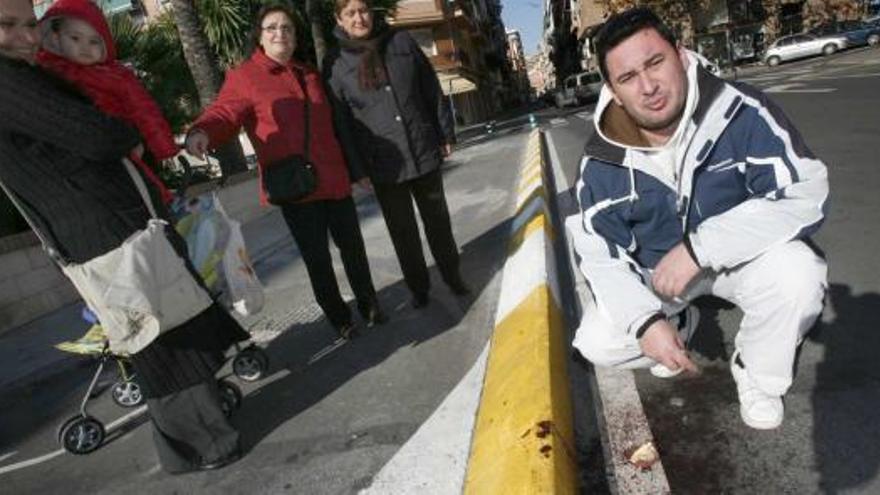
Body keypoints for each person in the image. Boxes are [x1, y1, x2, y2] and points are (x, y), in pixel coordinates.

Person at [0, 0, 247, 473]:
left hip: (113, 227)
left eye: (30, 25)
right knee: (159, 339)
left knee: (168, 325)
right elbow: (94, 134)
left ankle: (205, 433)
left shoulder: (23, 75)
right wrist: (122, 131)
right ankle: (201, 446)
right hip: (103, 232)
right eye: (7, 26)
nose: (26, 37)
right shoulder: (8, 82)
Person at [567, 7, 829, 430]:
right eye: (628, 78)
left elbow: (806, 192)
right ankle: (676, 321)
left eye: (655, 62)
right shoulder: (602, 159)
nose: (648, 86)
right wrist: (646, 320)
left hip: (737, 259)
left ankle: (757, 373)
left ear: (681, 54)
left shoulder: (740, 111)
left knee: (799, 275)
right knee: (597, 342)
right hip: (662, 278)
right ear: (613, 91)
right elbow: (600, 252)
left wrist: (700, 247)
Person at [185, 3, 385, 339]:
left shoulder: (309, 74)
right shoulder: (245, 76)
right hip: (296, 187)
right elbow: (224, 112)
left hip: (334, 180)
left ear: (295, 36)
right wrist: (202, 131)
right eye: (272, 28)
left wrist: (355, 169)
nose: (281, 33)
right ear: (260, 37)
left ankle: (369, 303)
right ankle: (340, 317)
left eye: (288, 28)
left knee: (354, 249)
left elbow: (336, 126)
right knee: (317, 260)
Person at [325, 0, 469, 309]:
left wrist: (445, 133)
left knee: (438, 222)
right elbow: (342, 123)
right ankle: (419, 288)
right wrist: (356, 169)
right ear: (339, 19)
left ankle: (453, 275)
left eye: (363, 10)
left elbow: (430, 88)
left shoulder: (401, 41)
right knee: (402, 232)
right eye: (350, 13)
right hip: (383, 165)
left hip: (422, 147)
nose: (358, 18)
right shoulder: (335, 63)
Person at [36, 0, 177, 205]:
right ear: (56, 38)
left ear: (105, 45)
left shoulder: (116, 75)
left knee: (143, 188)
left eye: (94, 41)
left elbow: (145, 110)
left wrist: (162, 147)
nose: (84, 47)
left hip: (122, 142)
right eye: (75, 38)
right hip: (81, 151)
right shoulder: (48, 70)